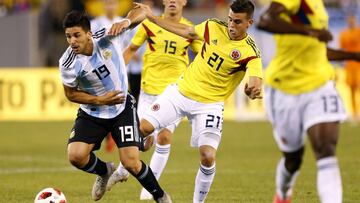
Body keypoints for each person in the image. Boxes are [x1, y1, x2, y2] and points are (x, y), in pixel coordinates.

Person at [126, 0, 263, 202]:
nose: (232, 26)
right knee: (142, 130)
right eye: (230, 19)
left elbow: (255, 81)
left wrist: (252, 89)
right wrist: (153, 17)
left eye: (238, 22)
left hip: (210, 104)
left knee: (208, 156)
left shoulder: (250, 52)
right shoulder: (213, 26)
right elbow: (186, 31)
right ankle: (118, 168)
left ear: (249, 22)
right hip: (182, 91)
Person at [59, 8, 172, 203]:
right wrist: (99, 100)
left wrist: (127, 22)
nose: (72, 41)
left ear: (89, 33)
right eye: (68, 36)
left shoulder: (108, 37)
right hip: (93, 111)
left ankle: (161, 196)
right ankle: (105, 171)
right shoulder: (68, 62)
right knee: (75, 156)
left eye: (77, 35)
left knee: (131, 163)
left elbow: (141, 14)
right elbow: (70, 93)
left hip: (121, 108)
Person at [257, 1, 360, 203]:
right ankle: (283, 193)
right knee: (293, 159)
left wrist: (354, 56)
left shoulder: (318, 5)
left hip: (320, 85)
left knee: (326, 150)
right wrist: (311, 32)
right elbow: (265, 21)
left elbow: (319, 50)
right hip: (285, 87)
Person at [106, 0, 202, 200]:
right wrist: (114, 74)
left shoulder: (188, 29)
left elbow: (203, 56)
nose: (173, 1)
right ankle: (124, 171)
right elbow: (131, 50)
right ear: (164, 1)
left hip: (175, 93)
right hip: (148, 91)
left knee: (164, 137)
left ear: (184, 2)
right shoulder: (150, 24)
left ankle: (149, 190)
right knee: (142, 142)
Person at [90, 0, 123, 153]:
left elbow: (132, 43)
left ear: (117, 5)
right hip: (102, 72)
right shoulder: (95, 23)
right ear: (104, 5)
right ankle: (104, 136)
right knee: (103, 103)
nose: (110, 6)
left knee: (122, 103)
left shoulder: (123, 22)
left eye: (113, 3)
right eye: (108, 3)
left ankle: (116, 136)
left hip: (122, 70)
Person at [339, 14, 360, 124]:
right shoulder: (344, 34)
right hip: (350, 66)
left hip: (358, 65)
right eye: (350, 20)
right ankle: (355, 114)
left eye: (353, 20)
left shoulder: (359, 32)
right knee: (351, 89)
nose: (351, 22)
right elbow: (342, 49)